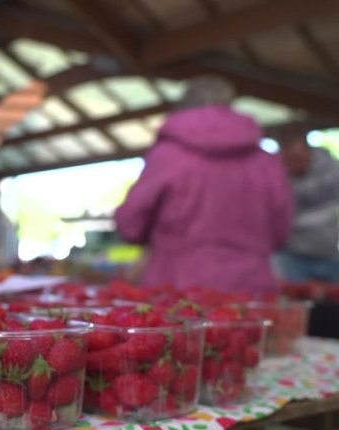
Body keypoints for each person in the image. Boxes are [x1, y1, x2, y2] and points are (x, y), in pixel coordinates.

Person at [114, 76, 294, 294]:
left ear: (184, 106)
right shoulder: (266, 161)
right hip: (251, 286)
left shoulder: (168, 155)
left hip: (176, 286)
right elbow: (281, 226)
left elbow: (131, 220)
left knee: (181, 327)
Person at [275, 126, 339, 282]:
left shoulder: (332, 170)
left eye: (298, 157)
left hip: (328, 251)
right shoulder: (275, 175)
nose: (295, 164)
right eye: (288, 159)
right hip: (293, 254)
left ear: (309, 151)